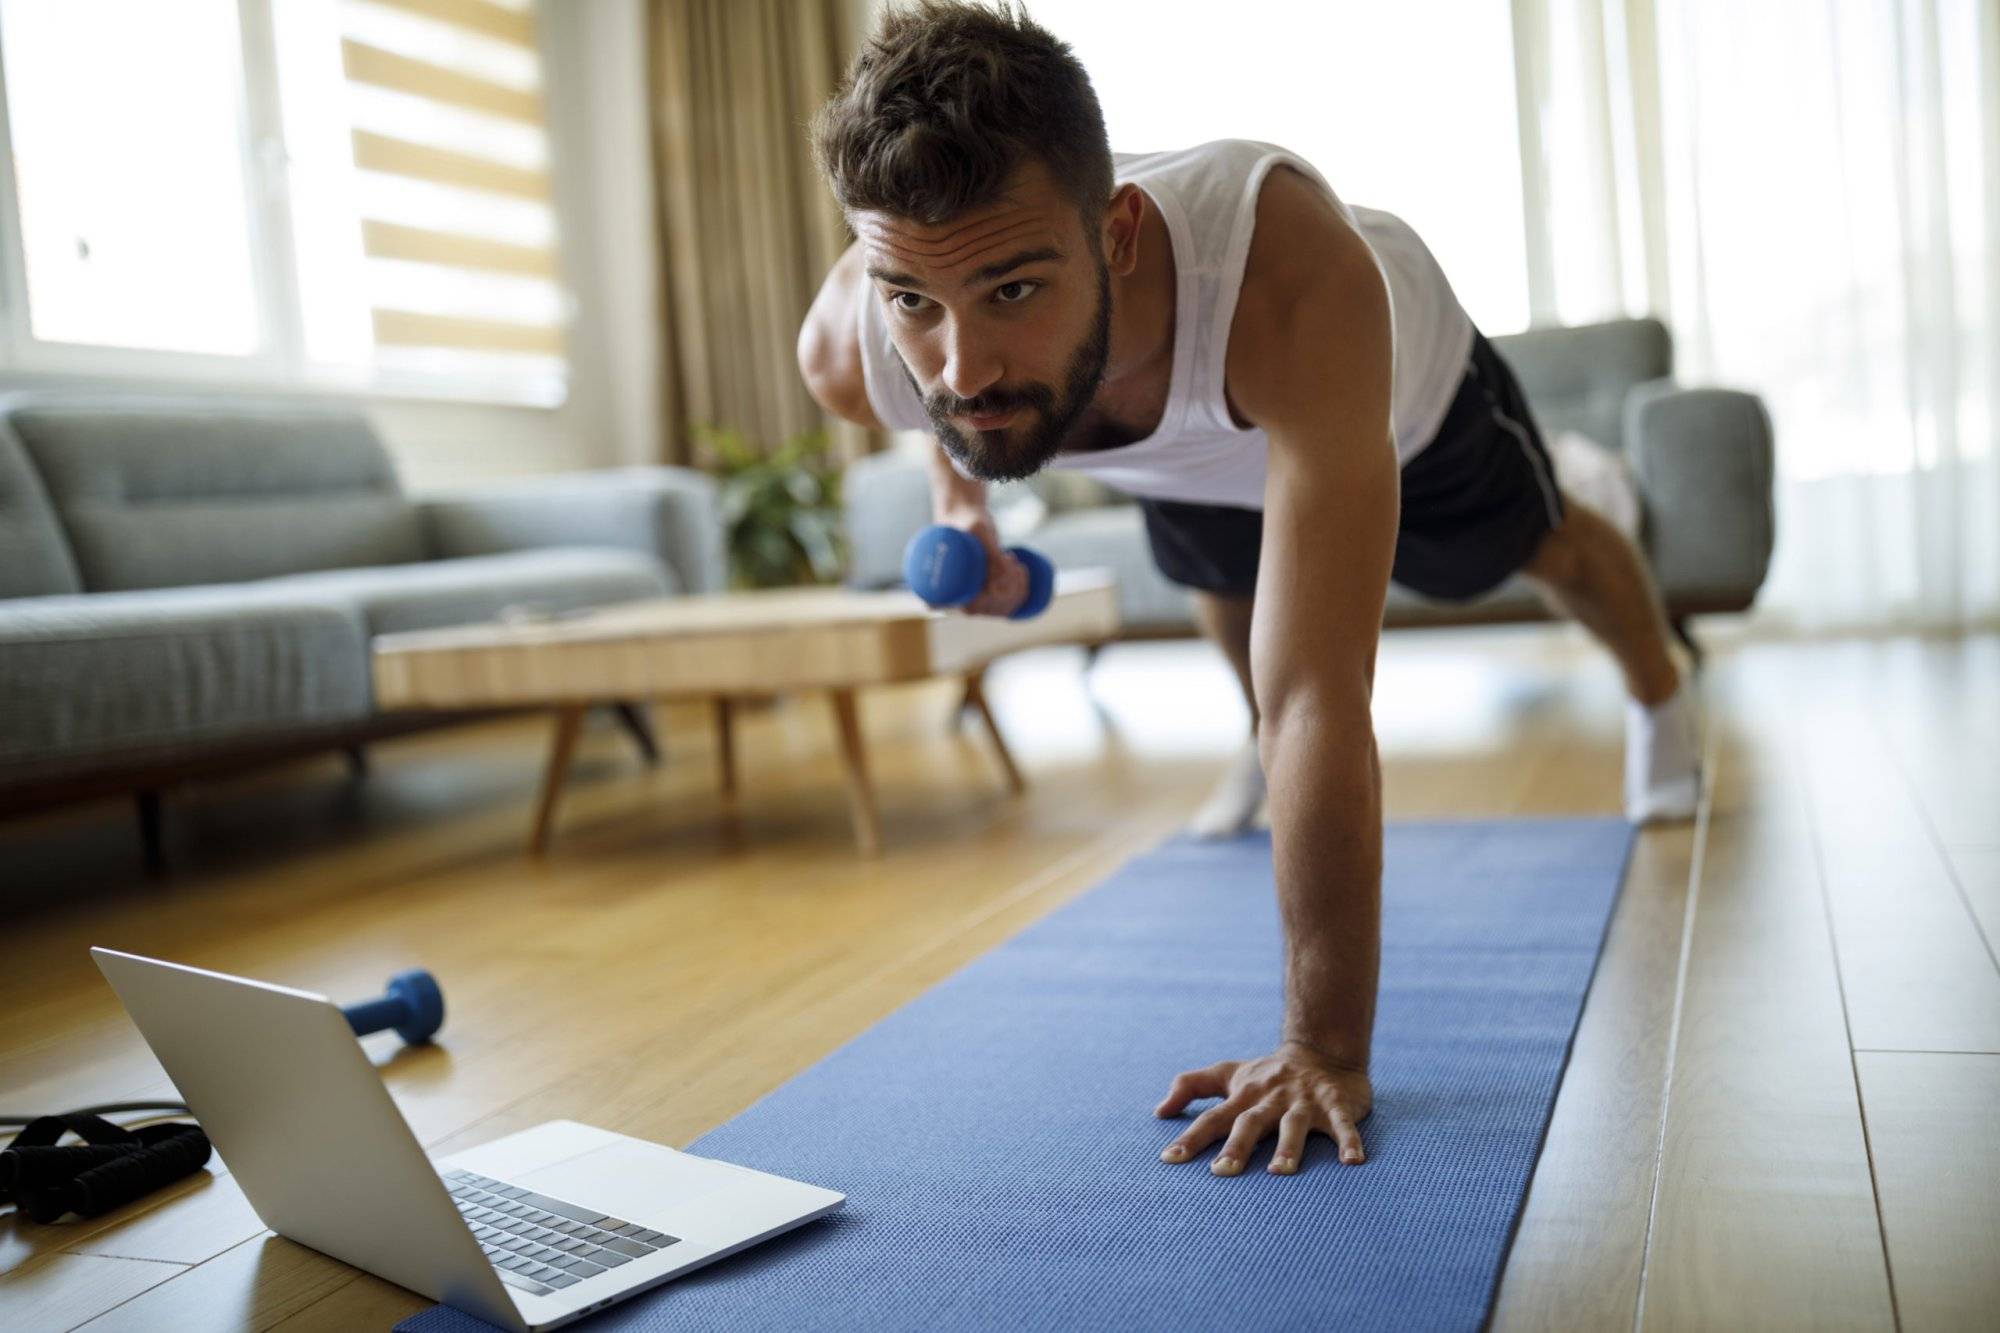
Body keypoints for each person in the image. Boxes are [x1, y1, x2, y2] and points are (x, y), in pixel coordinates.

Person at [795, 1, 1699, 1176]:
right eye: (915, 304)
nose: (959, 367)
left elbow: (1324, 695)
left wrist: (1321, 1047)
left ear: (1116, 233)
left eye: (1012, 290)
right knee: (1222, 580)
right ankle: (1244, 730)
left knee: (1534, 552)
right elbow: (948, 389)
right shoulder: (863, 344)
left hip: (1389, 404)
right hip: (1158, 429)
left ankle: (1661, 697)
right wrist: (960, 506)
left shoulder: (1287, 275)